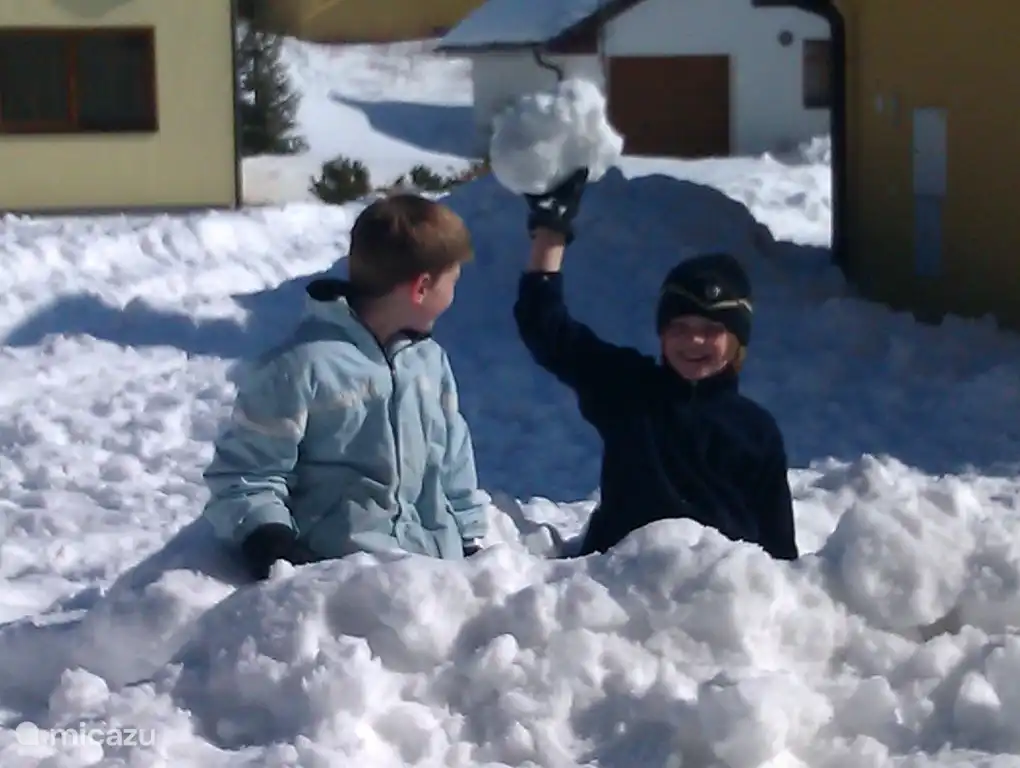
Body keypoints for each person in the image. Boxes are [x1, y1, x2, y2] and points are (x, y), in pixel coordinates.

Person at [512, 169, 798, 560]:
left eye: (711, 328)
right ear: (661, 333)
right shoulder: (628, 389)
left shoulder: (756, 432)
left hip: (718, 599)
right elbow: (545, 327)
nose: (694, 340)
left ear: (737, 340)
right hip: (610, 591)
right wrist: (550, 230)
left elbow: (781, 554)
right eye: (680, 326)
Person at [202, 194, 490, 580]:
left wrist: (468, 541)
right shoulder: (301, 366)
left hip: (436, 575)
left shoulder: (430, 363)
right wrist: (271, 541)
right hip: (345, 582)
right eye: (452, 281)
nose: (455, 294)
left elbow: (453, 462)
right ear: (422, 287)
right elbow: (247, 475)